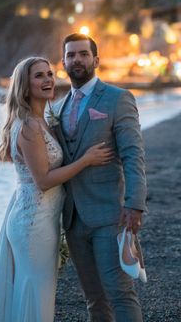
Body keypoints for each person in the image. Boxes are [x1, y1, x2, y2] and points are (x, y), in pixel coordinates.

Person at [0, 57, 113, 322]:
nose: (48, 80)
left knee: (36, 290)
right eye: (39, 76)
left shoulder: (43, 120)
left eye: (50, 74)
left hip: (42, 217)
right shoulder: (30, 126)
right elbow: (43, 180)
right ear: (24, 85)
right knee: (37, 291)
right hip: (34, 222)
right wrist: (86, 160)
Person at [50, 33, 147, 321]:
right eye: (71, 55)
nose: (76, 60)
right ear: (64, 62)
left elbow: (133, 154)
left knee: (120, 293)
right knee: (93, 299)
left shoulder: (118, 99)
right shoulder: (57, 108)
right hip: (73, 219)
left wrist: (135, 204)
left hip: (110, 214)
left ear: (96, 60)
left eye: (82, 54)